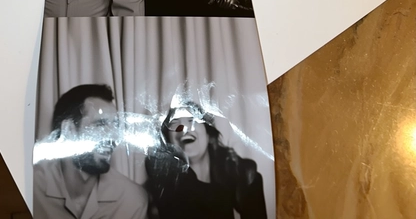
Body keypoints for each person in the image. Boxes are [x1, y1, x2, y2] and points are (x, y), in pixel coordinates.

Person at [34, 84, 148, 219]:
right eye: (100, 124)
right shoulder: (30, 189)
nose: (114, 138)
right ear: (68, 130)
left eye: (115, 126)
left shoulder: (132, 200)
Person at [145, 102, 267, 219]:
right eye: (174, 123)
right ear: (169, 143)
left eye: (192, 120)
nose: (183, 128)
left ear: (209, 135)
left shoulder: (240, 173)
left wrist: (247, 178)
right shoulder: (164, 185)